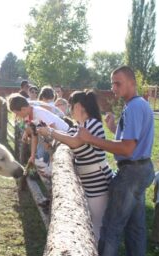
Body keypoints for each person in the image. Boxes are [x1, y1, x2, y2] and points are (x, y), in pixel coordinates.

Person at [76, 66, 155, 256]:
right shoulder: (137, 105)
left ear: (132, 83)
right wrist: (113, 129)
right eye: (112, 83)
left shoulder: (135, 106)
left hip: (131, 174)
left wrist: (90, 138)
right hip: (141, 170)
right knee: (135, 227)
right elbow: (131, 143)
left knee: (112, 226)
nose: (113, 87)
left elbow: (128, 149)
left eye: (118, 83)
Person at [37, 90, 113, 242]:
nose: (70, 110)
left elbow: (74, 142)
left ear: (78, 106)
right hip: (88, 182)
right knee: (90, 224)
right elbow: (66, 138)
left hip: (98, 183)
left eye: (71, 106)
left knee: (97, 226)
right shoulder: (78, 125)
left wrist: (50, 132)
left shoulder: (93, 124)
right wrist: (49, 136)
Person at [8, 93, 69, 166]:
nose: (17, 116)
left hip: (64, 134)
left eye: (17, 113)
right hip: (54, 137)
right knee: (42, 156)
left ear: (23, 109)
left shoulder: (38, 113)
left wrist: (49, 144)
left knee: (49, 160)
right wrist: (32, 156)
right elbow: (34, 135)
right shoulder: (29, 116)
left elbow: (53, 126)